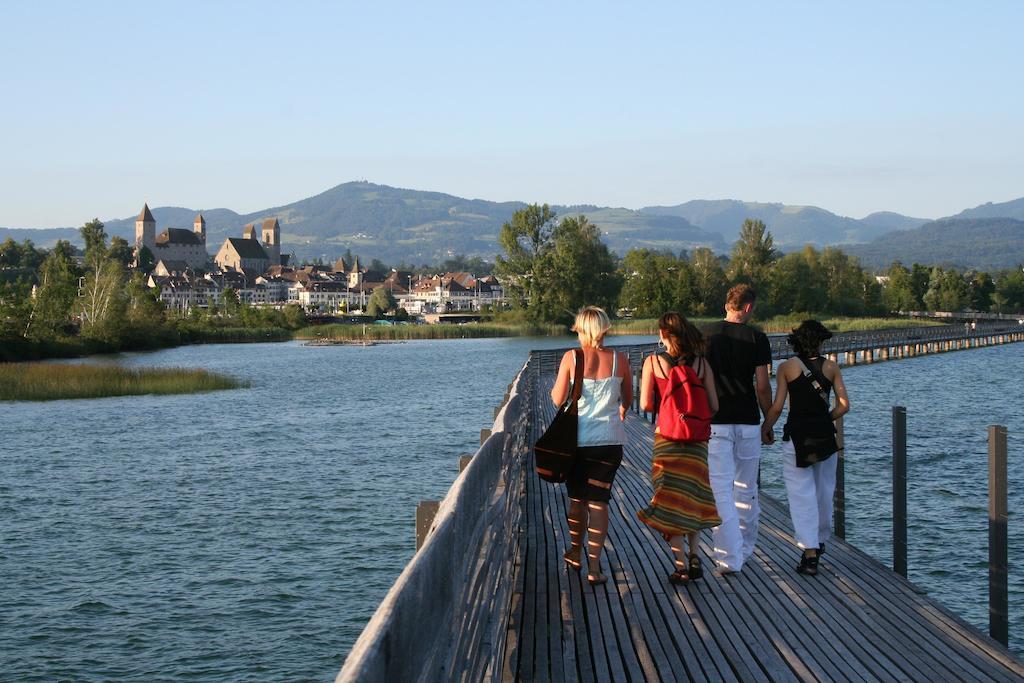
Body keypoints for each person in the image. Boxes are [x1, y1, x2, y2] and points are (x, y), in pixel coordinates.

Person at [551, 306, 633, 585]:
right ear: (605, 329)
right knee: (599, 502)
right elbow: (628, 399)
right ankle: (594, 567)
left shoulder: (571, 358)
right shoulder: (619, 360)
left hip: (577, 441)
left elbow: (557, 398)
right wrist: (617, 407)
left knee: (577, 499)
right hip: (609, 441)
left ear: (580, 329)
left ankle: (575, 550)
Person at [637, 312, 721, 584]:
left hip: (668, 439)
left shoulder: (653, 362)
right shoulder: (702, 364)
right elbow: (715, 406)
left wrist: (669, 406)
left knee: (671, 500)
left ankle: (680, 565)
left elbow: (646, 406)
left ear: (663, 333)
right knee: (693, 497)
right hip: (697, 442)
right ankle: (696, 554)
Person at [761, 320, 850, 575]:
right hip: (825, 437)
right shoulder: (831, 366)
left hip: (797, 438)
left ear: (796, 340)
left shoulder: (786, 368)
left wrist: (765, 427)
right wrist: (824, 419)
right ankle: (820, 540)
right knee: (824, 492)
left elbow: (777, 407)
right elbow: (844, 405)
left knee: (801, 495)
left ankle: (810, 552)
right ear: (821, 341)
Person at [701, 284, 773, 573]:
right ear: (747, 307)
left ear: (727, 305)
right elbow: (763, 386)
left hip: (715, 423)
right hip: (747, 422)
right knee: (746, 490)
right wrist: (768, 420)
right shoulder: (757, 337)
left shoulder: (707, 335)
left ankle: (728, 557)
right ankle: (744, 548)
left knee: (720, 491)